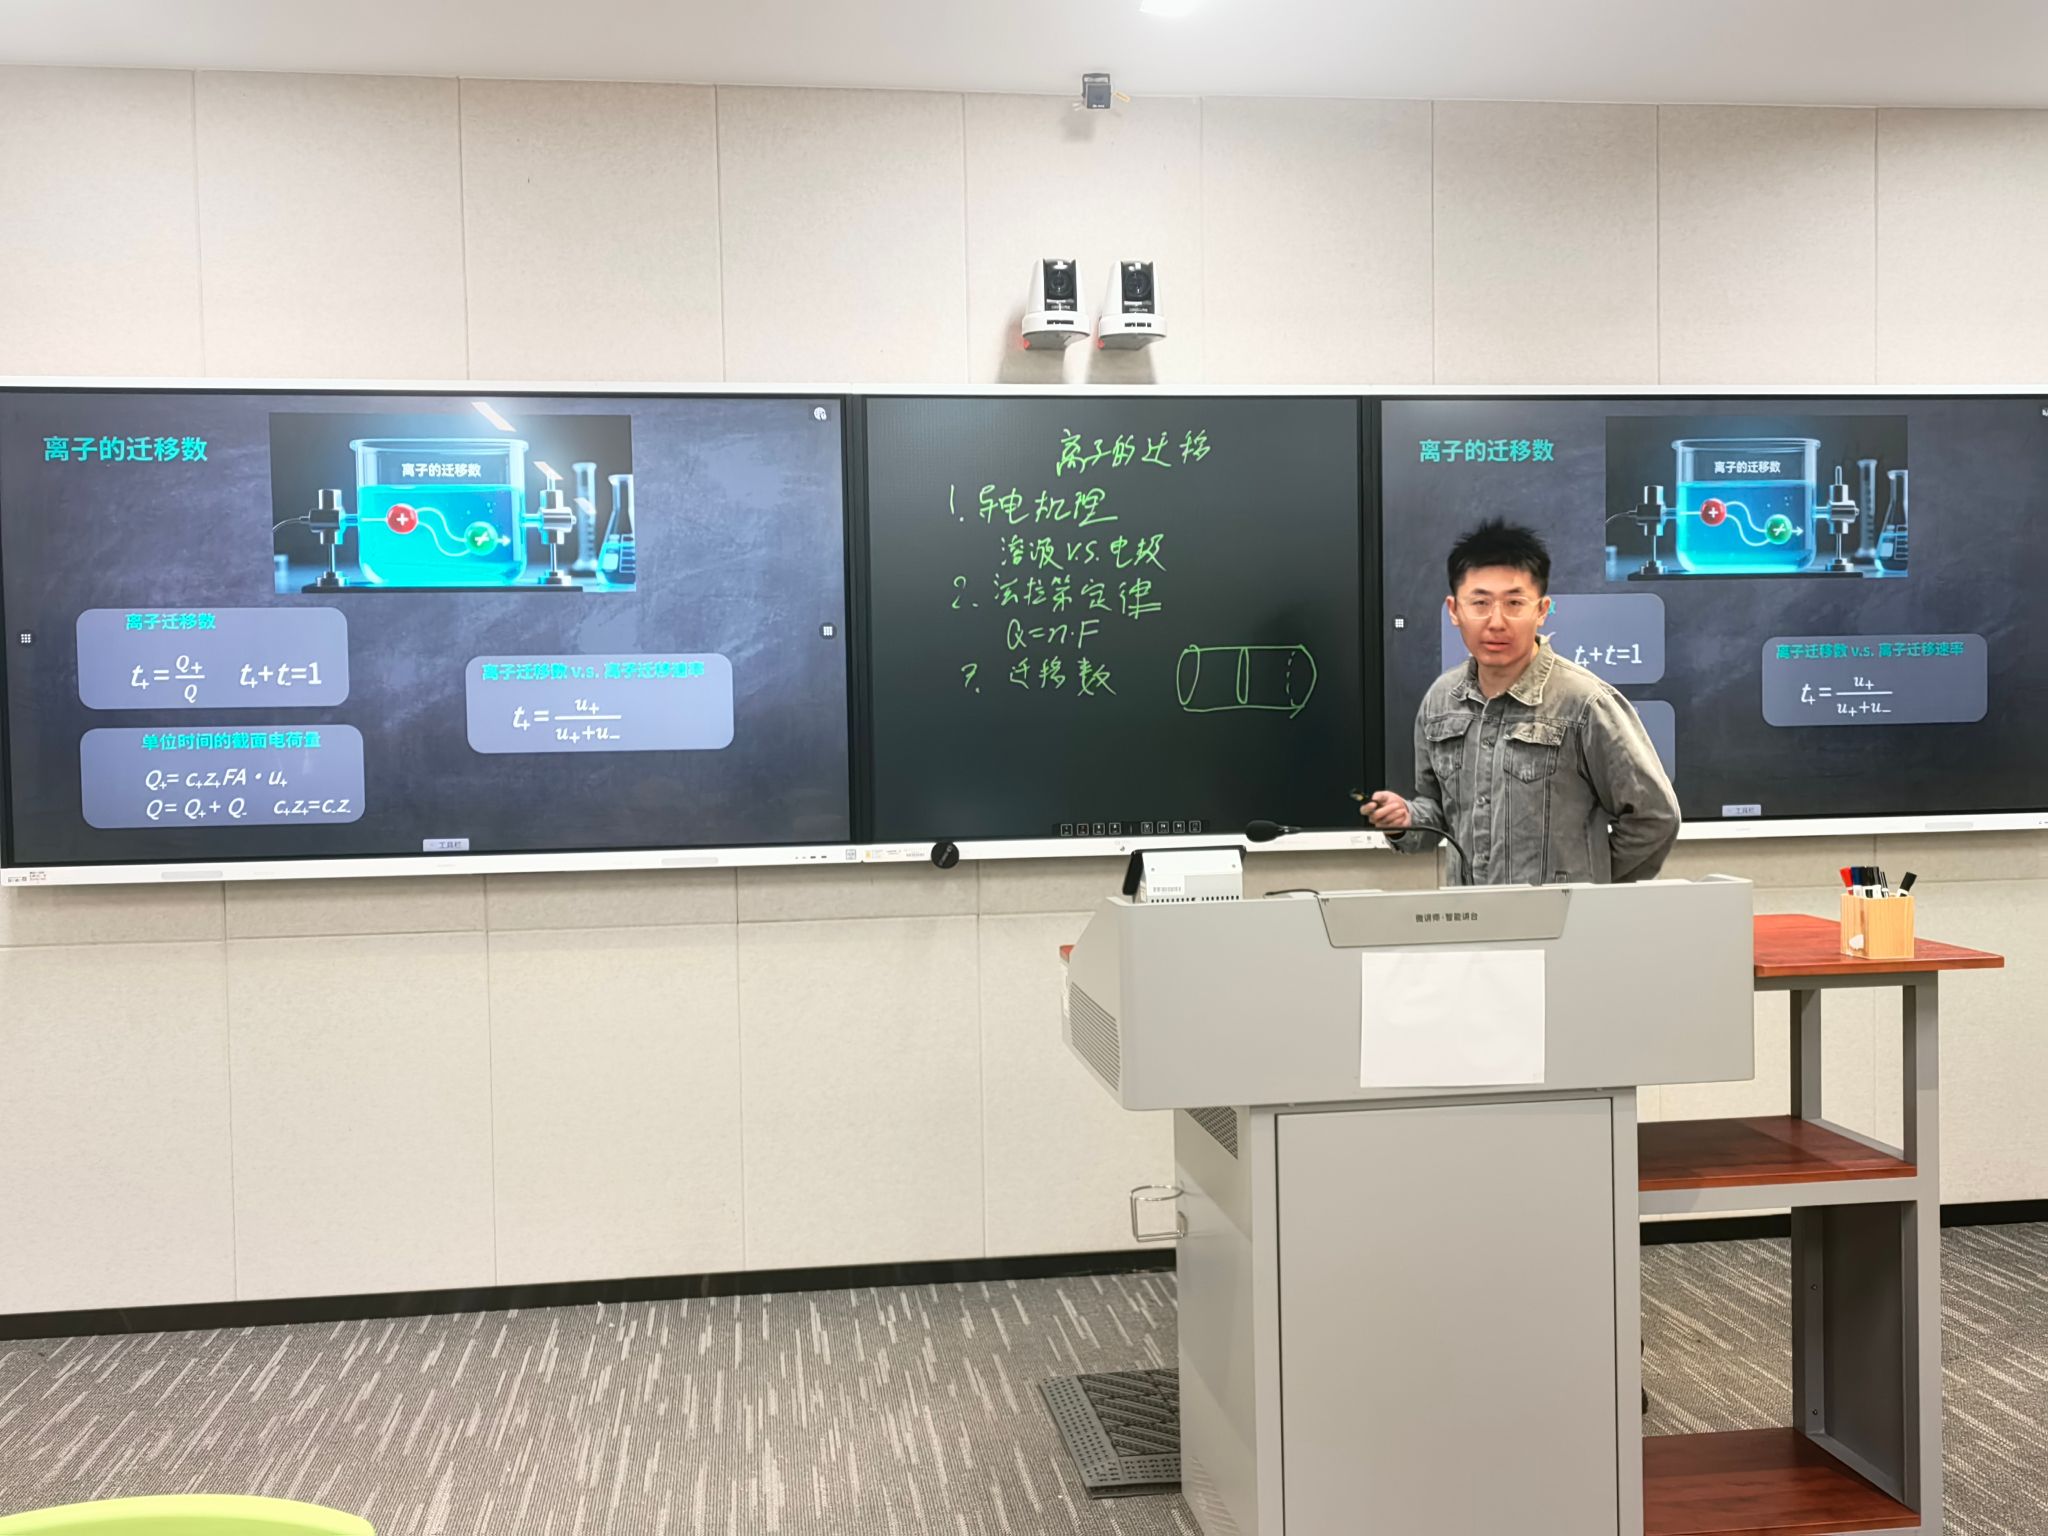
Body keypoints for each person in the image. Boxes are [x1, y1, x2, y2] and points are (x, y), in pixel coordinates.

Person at [1363, 518, 1679, 885]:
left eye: (1514, 603)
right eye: (1480, 603)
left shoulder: (1585, 703)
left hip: (1562, 919)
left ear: (1542, 610)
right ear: (1454, 610)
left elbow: (1654, 818)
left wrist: (1592, 883)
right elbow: (1439, 811)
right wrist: (1406, 819)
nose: (1496, 622)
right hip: (1470, 914)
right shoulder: (1441, 700)